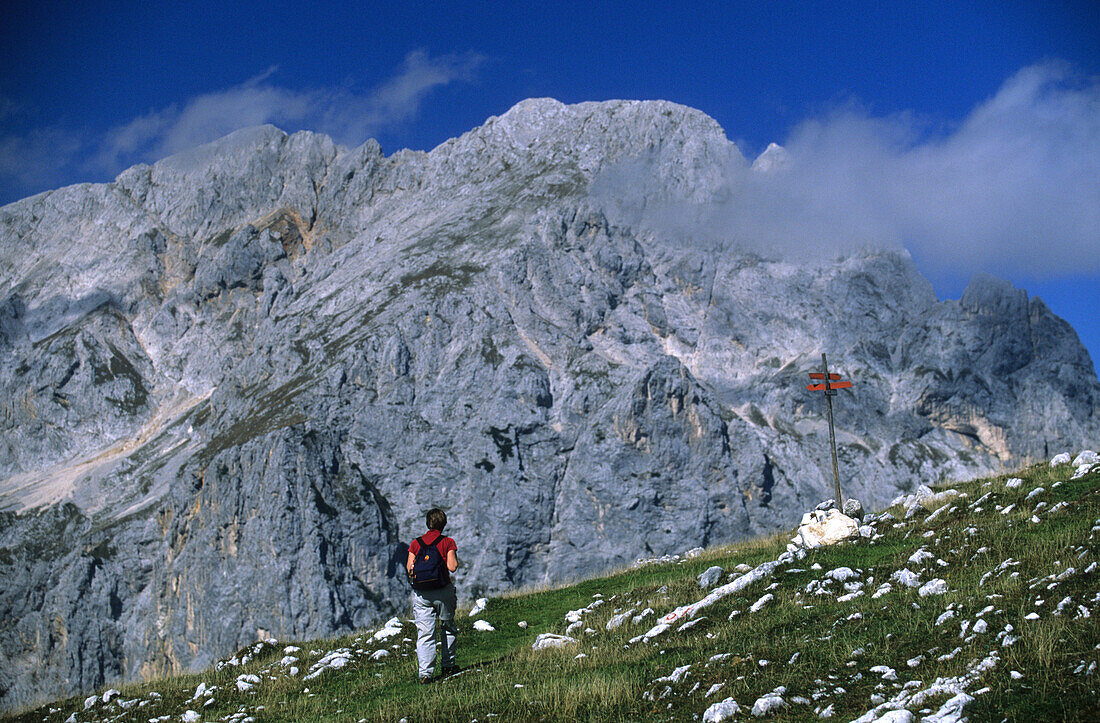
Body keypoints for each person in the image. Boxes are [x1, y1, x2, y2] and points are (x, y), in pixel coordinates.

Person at [406, 507, 459, 683]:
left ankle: (425, 674)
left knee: (425, 633)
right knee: (448, 626)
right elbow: (452, 567)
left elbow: (409, 568)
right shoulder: (447, 542)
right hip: (443, 591)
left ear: (427, 523)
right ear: (443, 524)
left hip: (422, 594)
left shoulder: (416, 543)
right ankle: (448, 665)